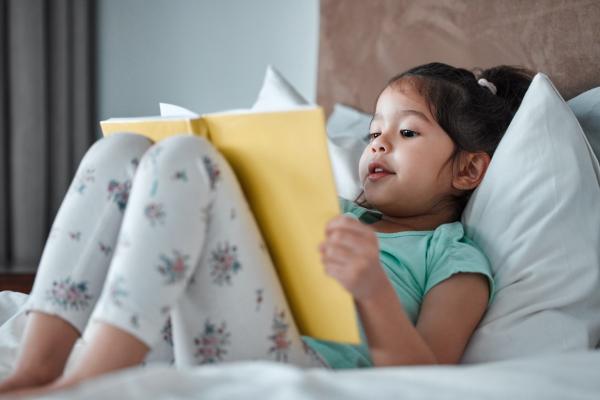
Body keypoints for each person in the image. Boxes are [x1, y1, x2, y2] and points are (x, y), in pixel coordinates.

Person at [0, 62, 533, 397]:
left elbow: (428, 375)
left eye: (407, 131)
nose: (377, 144)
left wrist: (372, 290)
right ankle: (37, 367)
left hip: (299, 360)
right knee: (120, 151)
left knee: (187, 158)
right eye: (373, 132)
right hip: (183, 325)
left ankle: (87, 382)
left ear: (468, 170)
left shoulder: (453, 257)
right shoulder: (335, 211)